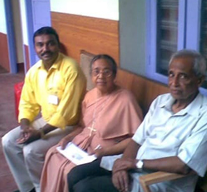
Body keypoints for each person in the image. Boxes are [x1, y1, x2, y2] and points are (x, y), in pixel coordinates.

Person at [68, 50, 207, 192]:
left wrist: (135, 164)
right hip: (133, 166)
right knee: (75, 174)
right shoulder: (161, 102)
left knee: (85, 188)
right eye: (171, 74)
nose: (174, 83)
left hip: (157, 182)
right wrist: (123, 166)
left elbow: (184, 165)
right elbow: (137, 140)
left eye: (183, 76)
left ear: (199, 80)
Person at [40, 54, 143, 192]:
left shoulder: (126, 98)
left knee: (68, 169)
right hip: (80, 145)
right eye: (96, 71)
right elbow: (83, 127)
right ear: (91, 75)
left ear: (114, 75)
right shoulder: (90, 95)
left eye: (106, 72)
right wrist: (67, 138)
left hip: (105, 152)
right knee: (52, 154)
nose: (101, 76)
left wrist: (105, 151)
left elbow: (136, 139)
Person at [2, 26, 87, 192]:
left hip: (69, 125)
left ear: (58, 45)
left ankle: (45, 188)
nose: (45, 49)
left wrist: (40, 132)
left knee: (31, 151)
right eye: (40, 45)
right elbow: (27, 103)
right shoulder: (34, 72)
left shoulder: (71, 68)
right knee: (8, 142)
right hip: (45, 121)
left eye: (50, 44)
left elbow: (66, 112)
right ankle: (28, 188)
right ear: (35, 48)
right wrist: (25, 126)